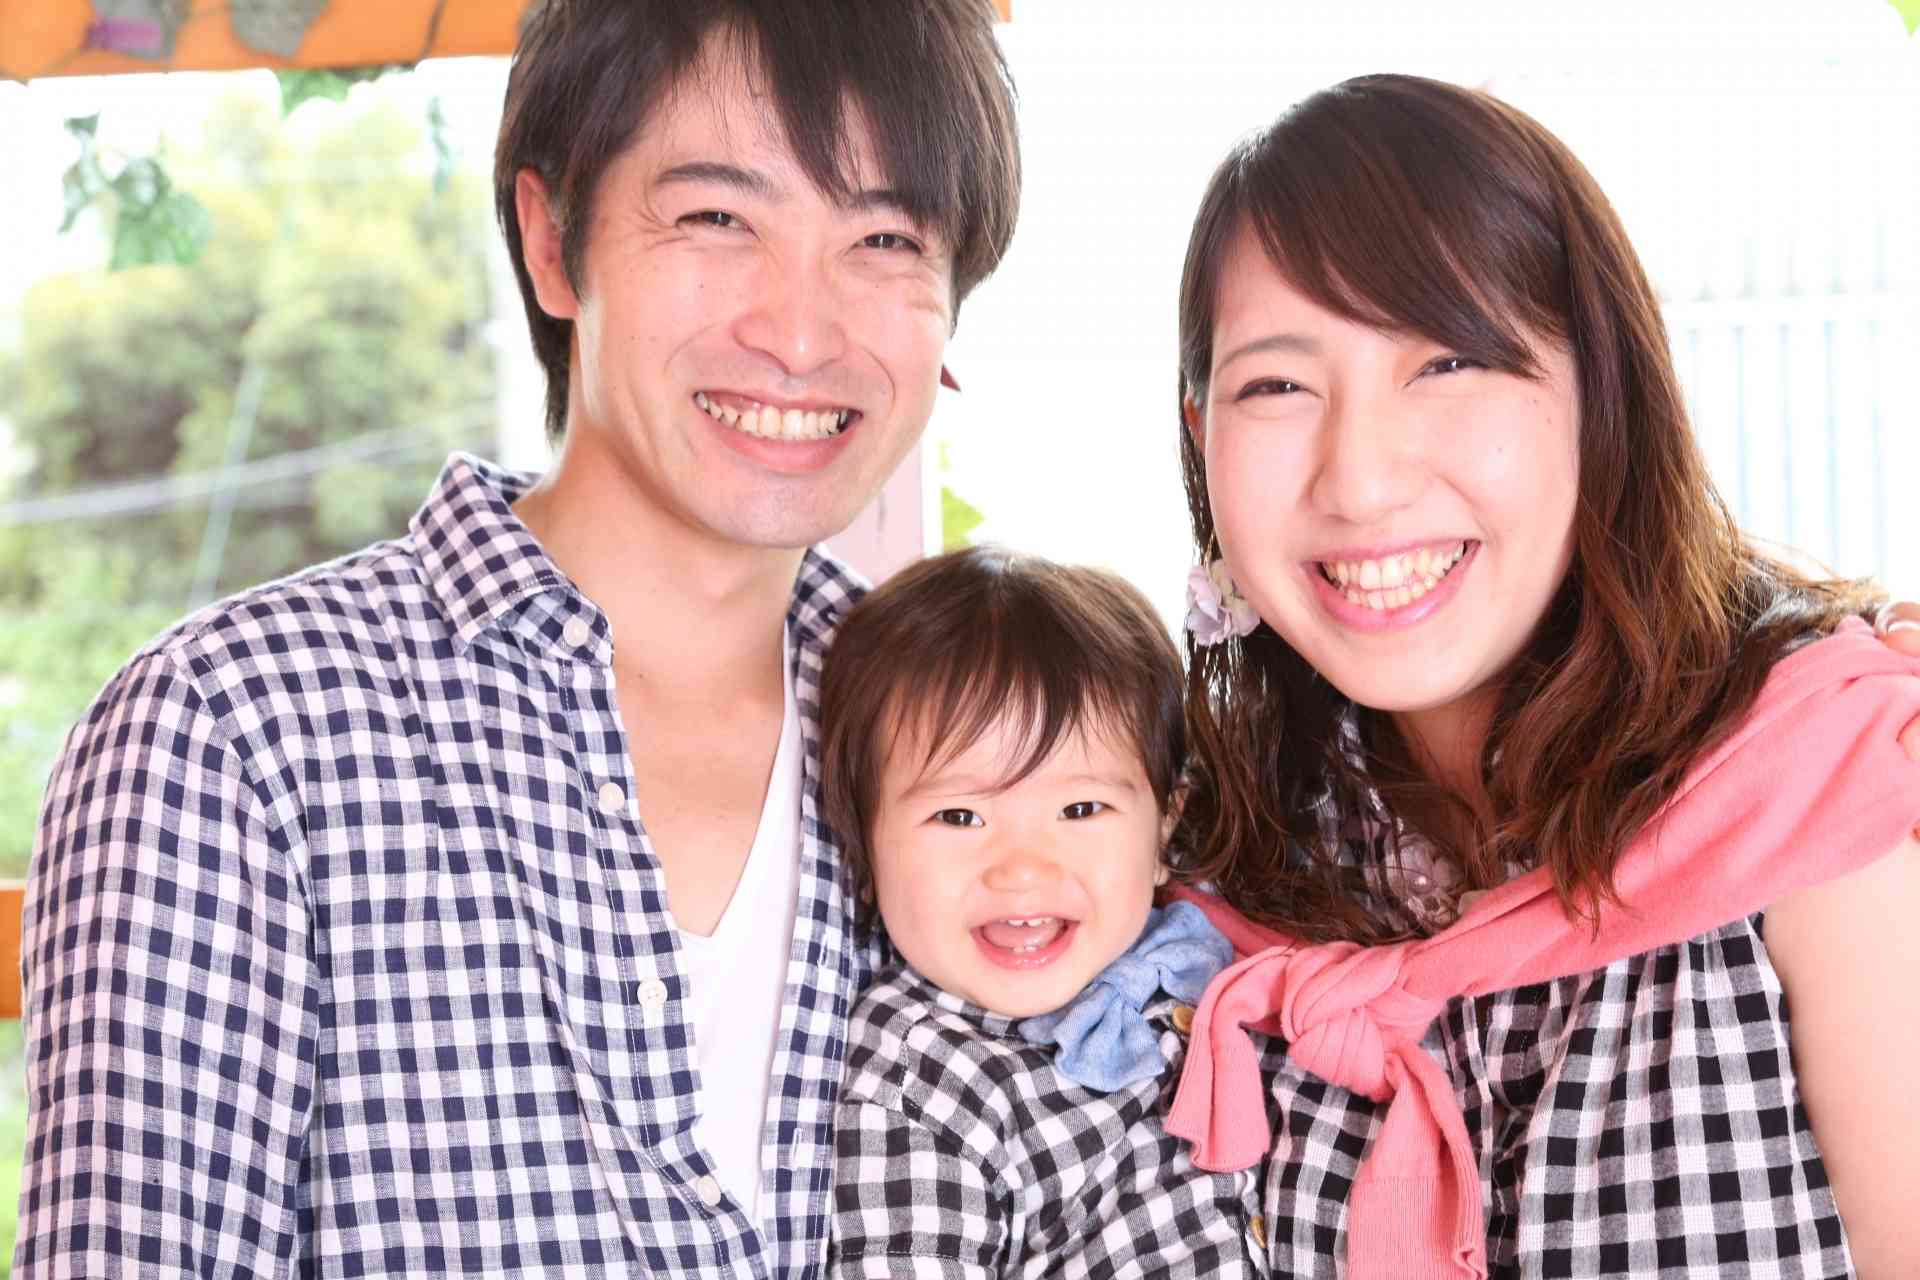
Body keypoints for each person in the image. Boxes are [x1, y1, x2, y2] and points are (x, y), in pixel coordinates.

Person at [14, 2, 1018, 1276]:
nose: (801, 331)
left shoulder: (982, 739)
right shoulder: (229, 738)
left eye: (884, 239)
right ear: (553, 244)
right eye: (718, 217)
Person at [1162, 74, 1920, 1279]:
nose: (1360, 480)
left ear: (1601, 393)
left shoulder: (1819, 778)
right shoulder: (1201, 857)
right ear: (1204, 435)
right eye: (1278, 385)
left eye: (1448, 362)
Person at [818, 546, 1272, 1278]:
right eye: (960, 816)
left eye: (1081, 809)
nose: (1023, 868)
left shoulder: (1207, 958)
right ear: (864, 853)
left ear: (1164, 829)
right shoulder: (918, 1083)